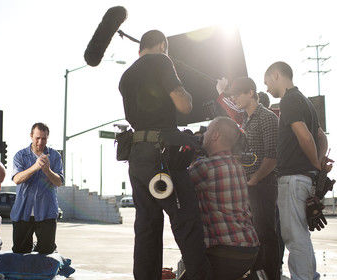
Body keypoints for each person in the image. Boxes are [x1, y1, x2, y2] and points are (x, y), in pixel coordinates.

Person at [118, 29, 209, 280]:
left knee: (146, 228)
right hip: (164, 155)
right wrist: (185, 91)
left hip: (137, 157)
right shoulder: (162, 60)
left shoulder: (126, 76)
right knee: (186, 223)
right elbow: (183, 104)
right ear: (162, 46)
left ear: (140, 49)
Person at [264, 61, 332, 280]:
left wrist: (315, 162)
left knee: (294, 237)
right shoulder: (305, 101)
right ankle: (309, 276)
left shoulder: (290, 100)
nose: (266, 89)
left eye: (267, 83)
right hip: (304, 178)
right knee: (301, 235)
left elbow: (305, 136)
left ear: (276, 75)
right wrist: (319, 164)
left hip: (293, 178)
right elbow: (321, 136)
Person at [223, 77, 281, 280]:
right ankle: (257, 275)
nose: (235, 98)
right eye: (233, 95)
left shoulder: (267, 117)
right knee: (254, 235)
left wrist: (254, 180)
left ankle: (272, 275)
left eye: (238, 94)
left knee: (266, 234)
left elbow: (272, 157)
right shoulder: (246, 120)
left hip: (262, 185)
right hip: (249, 185)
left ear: (251, 92)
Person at [189, 117, 259, 280]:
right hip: (249, 246)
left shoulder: (205, 167)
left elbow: (176, 187)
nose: (203, 135)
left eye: (207, 131)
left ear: (215, 135)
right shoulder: (237, 166)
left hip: (224, 251)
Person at [11, 122, 64, 255]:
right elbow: (17, 179)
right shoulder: (20, 156)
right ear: (31, 136)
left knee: (47, 252)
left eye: (44, 138)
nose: (40, 142)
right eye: (37, 138)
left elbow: (59, 182)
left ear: (48, 137)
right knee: (20, 252)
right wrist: (35, 167)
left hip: (47, 212)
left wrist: (47, 171)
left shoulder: (55, 156)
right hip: (23, 212)